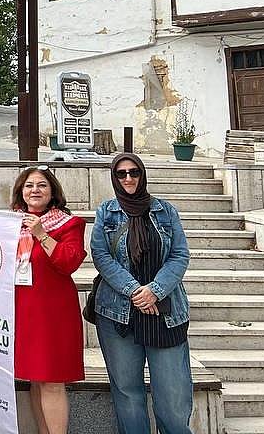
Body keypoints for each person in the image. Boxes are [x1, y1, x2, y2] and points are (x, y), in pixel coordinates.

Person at [92, 154, 193, 434]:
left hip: (165, 312)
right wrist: (136, 291)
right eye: (121, 173)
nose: (128, 178)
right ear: (114, 177)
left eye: (134, 172)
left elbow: (179, 255)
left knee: (173, 396)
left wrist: (155, 291)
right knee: (127, 392)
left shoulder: (165, 211)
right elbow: (101, 256)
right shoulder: (106, 212)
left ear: (142, 174)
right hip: (119, 313)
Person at [11, 165, 87, 434]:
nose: (35, 190)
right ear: (21, 191)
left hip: (53, 312)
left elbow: (69, 262)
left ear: (53, 192)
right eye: (29, 185)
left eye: (42, 185)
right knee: (35, 379)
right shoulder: (9, 223)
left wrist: (41, 234)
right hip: (23, 310)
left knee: (52, 381)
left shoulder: (70, 224)